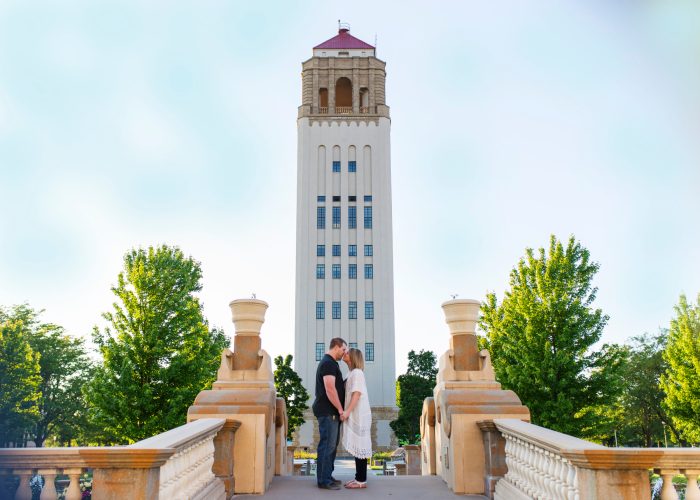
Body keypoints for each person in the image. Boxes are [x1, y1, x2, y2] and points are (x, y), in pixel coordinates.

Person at [312, 337, 347, 490]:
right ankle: (324, 481)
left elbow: (336, 386)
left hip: (330, 411)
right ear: (337, 346)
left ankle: (327, 476)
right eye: (343, 349)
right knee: (327, 446)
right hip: (328, 411)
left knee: (331, 446)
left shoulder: (331, 363)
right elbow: (330, 389)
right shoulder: (328, 363)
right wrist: (340, 409)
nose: (344, 353)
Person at [340, 347, 372, 489]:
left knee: (360, 444)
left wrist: (347, 412)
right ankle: (358, 478)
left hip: (359, 413)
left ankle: (361, 481)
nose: (344, 353)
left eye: (347, 353)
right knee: (358, 445)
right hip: (355, 413)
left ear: (352, 357)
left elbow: (357, 394)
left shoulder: (357, 373)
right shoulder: (351, 373)